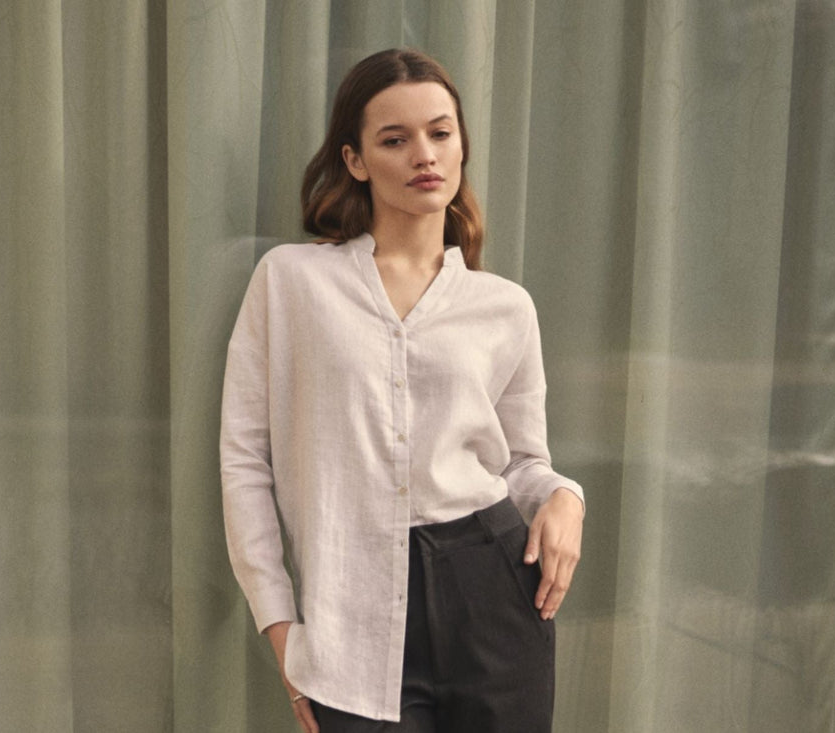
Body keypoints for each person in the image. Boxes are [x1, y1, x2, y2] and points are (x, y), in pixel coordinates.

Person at [220, 48, 585, 733]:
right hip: (348, 616)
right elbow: (244, 462)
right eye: (395, 139)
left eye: (440, 133)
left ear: (461, 144)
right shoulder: (291, 282)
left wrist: (565, 496)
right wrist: (280, 625)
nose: (425, 154)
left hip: (495, 593)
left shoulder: (505, 307)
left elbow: (520, 462)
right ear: (355, 160)